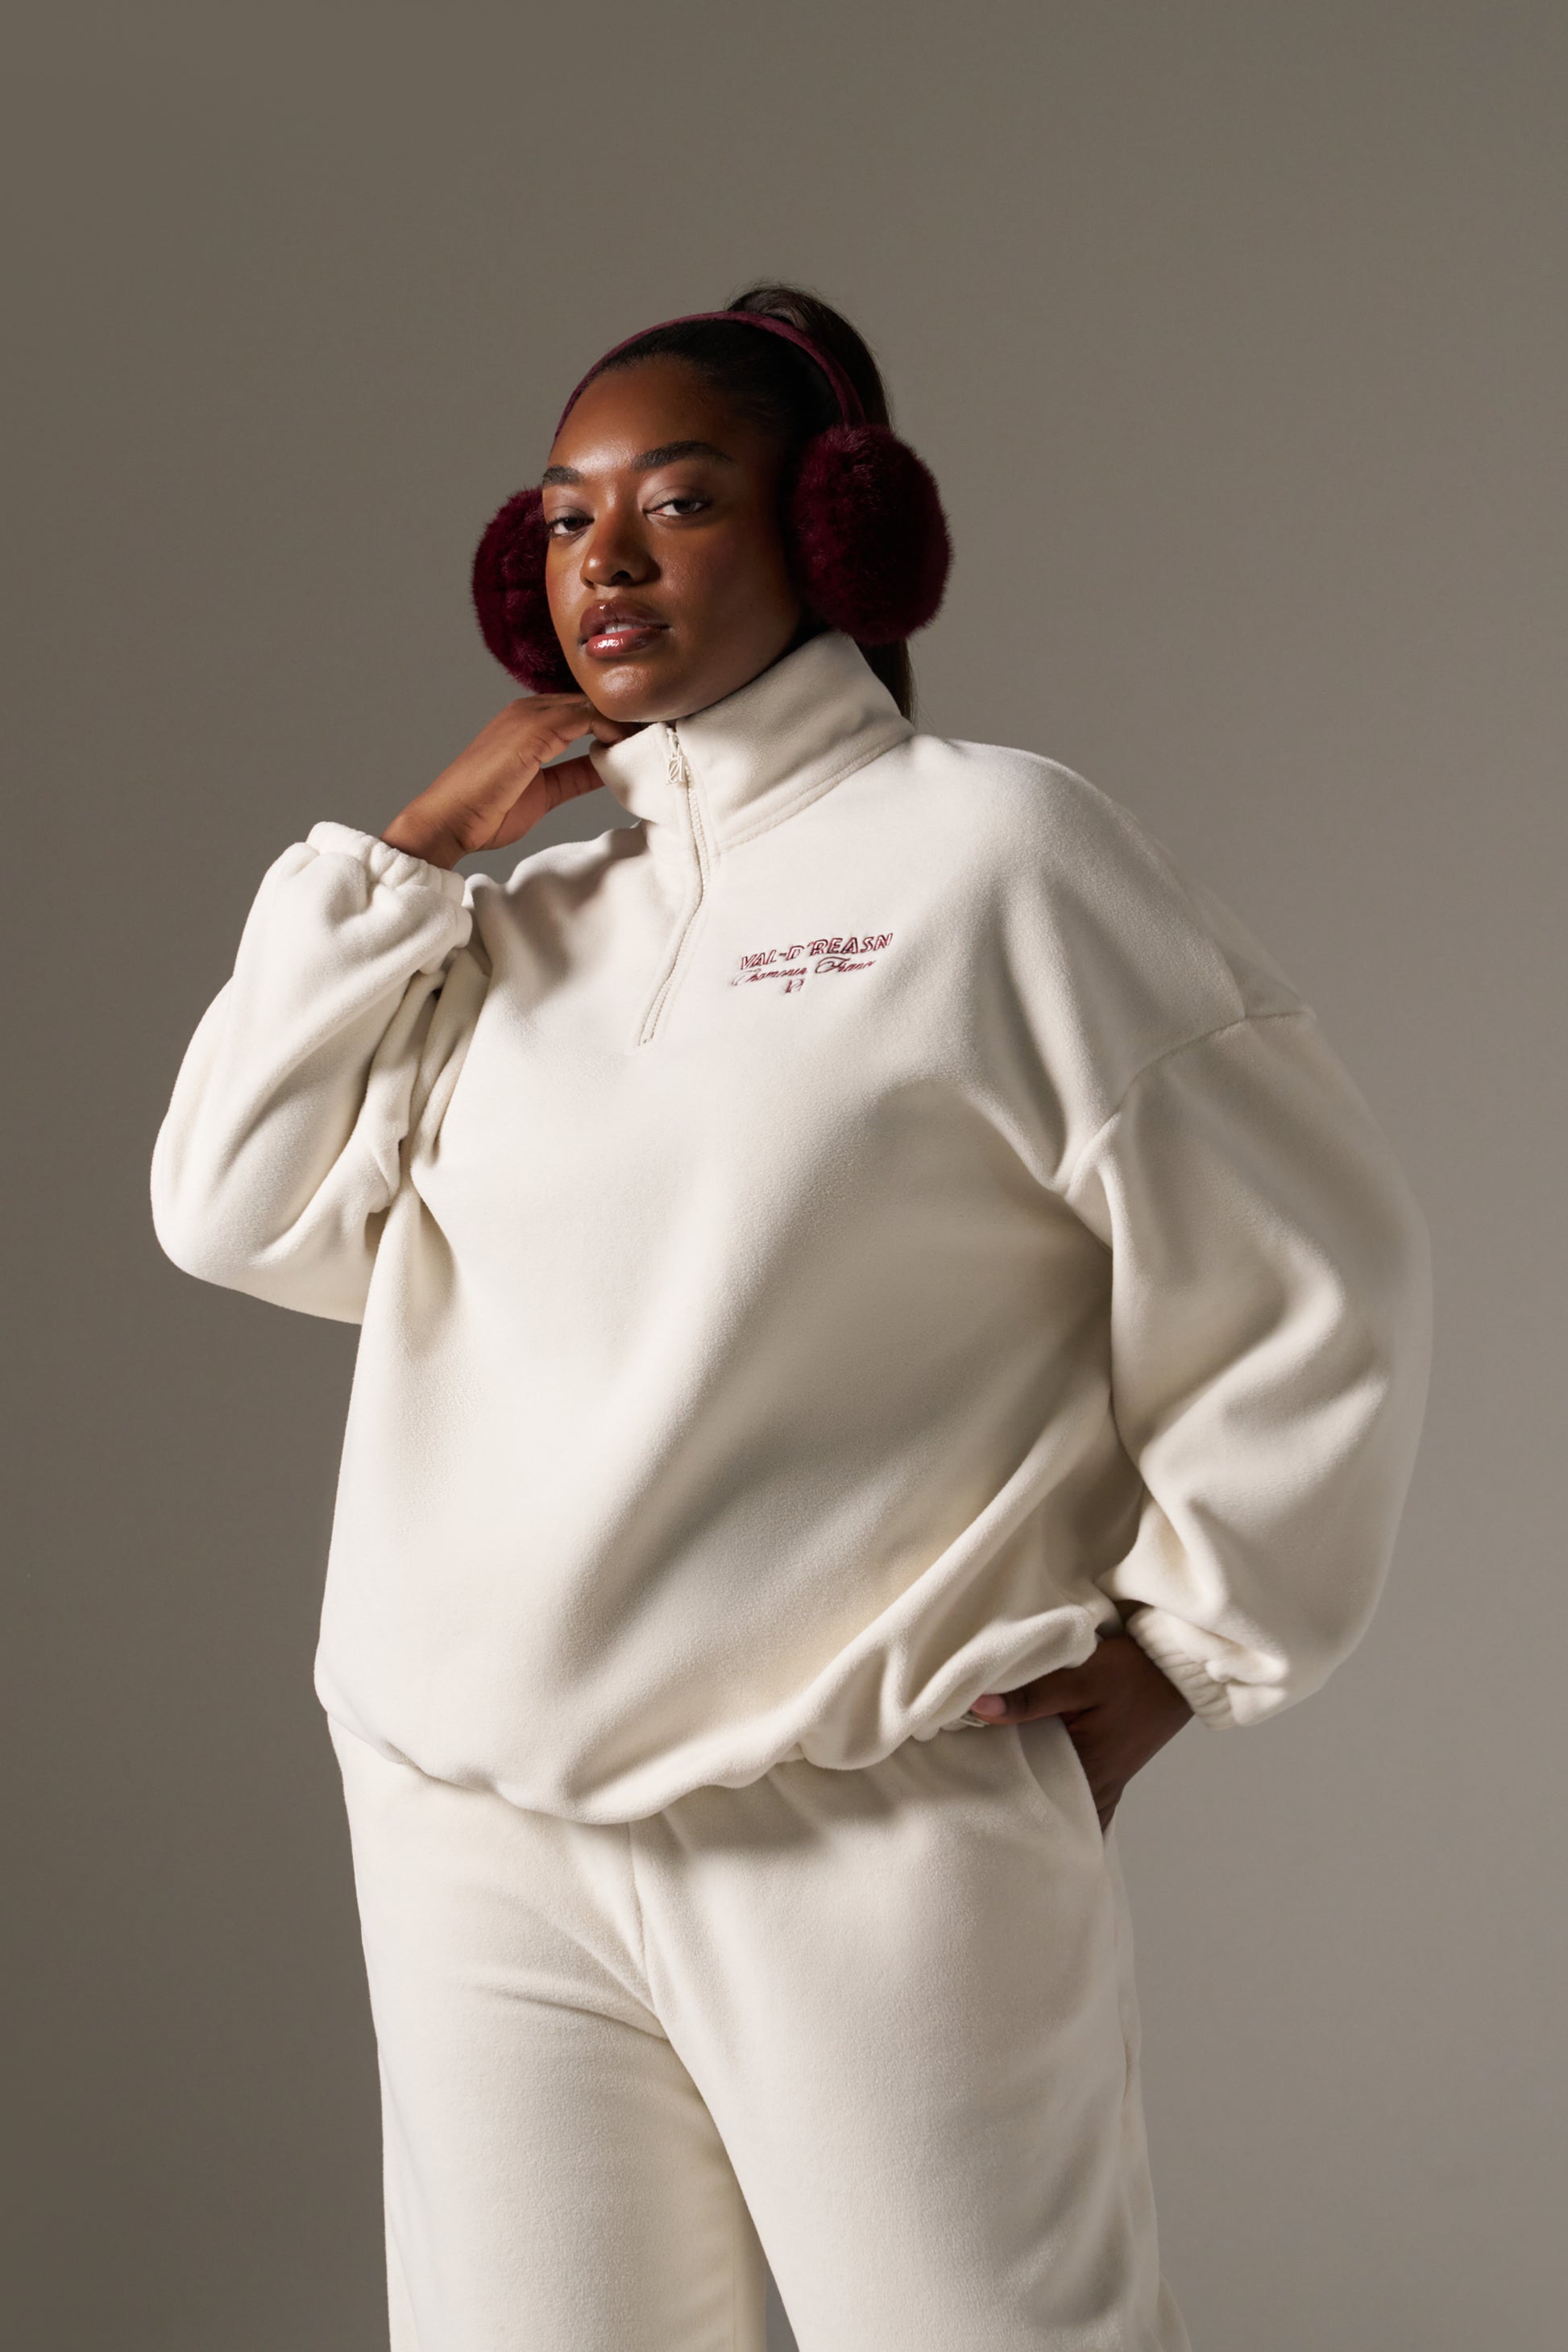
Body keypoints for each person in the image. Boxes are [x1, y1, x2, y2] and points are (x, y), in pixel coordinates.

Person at [150, 282, 1433, 2351]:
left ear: (834, 532)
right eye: (564, 518)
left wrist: (1196, 1641)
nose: (607, 559)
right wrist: (413, 851)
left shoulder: (996, 856)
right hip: (470, 1823)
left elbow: (1312, 1259)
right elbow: (233, 1206)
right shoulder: (512, 922)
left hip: (865, 1813)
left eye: (678, 501)